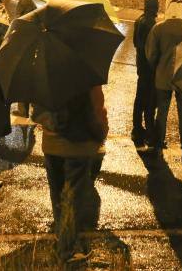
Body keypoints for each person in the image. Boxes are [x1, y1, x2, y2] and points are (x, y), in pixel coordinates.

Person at [34, 85, 108, 265]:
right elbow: (98, 109)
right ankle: (69, 249)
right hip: (78, 144)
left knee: (58, 194)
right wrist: (102, 132)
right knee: (75, 197)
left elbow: (38, 111)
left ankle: (61, 236)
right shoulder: (85, 76)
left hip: (51, 144)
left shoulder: (44, 73)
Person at [145, 12, 182, 153]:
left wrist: (156, 67)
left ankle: (158, 143)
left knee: (162, 111)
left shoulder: (158, 28)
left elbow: (151, 54)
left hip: (163, 75)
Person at [131, 0, 158, 150]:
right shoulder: (150, 23)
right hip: (148, 67)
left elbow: (136, 42)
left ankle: (137, 127)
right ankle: (148, 131)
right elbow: (152, 48)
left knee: (140, 97)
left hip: (141, 65)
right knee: (149, 100)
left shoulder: (138, 19)